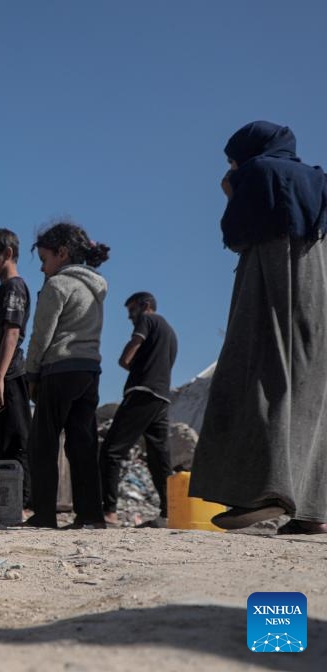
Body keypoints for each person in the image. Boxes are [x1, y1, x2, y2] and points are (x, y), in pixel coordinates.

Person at [191, 121, 327, 535]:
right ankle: (313, 514)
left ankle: (263, 492)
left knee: (258, 378)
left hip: (270, 281)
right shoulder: (319, 178)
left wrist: (231, 190)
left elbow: (236, 233)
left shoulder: (254, 172)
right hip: (317, 289)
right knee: (312, 392)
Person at [23, 221, 109, 529]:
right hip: (89, 370)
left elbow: (41, 335)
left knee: (43, 443)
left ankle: (44, 514)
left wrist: (31, 372)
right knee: (82, 444)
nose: (43, 269)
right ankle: (91, 515)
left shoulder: (57, 285)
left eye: (45, 260)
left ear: (62, 254)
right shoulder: (96, 287)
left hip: (59, 370)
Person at [99, 292, 177, 528]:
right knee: (159, 458)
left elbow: (130, 351)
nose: (131, 317)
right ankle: (169, 513)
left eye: (132, 311)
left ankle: (109, 512)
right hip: (162, 397)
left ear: (145, 305)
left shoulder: (148, 319)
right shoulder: (170, 332)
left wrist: (126, 360)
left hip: (142, 393)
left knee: (111, 451)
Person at [0, 228, 32, 512]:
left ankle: (21, 504)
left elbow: (11, 333)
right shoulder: (0, 290)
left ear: (7, 254)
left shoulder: (14, 288)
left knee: (15, 441)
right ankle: (2, 504)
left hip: (9, 376)